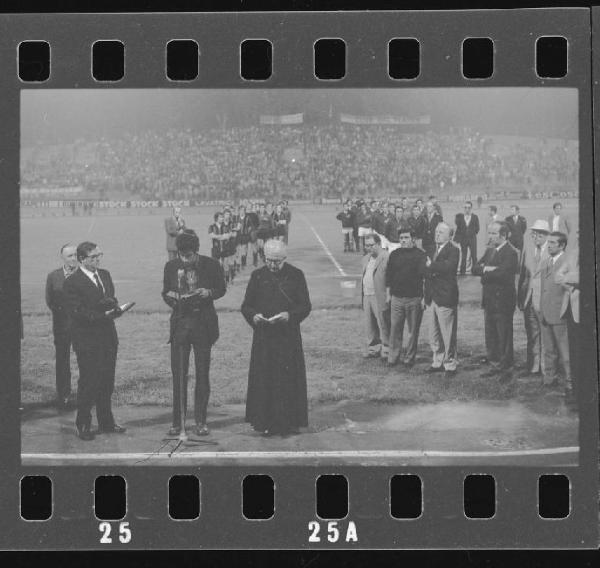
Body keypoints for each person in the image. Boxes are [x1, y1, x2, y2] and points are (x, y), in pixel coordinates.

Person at [241, 239, 311, 436]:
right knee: (265, 380)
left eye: (277, 261)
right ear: (264, 257)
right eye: (269, 260)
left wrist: (290, 316)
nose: (272, 265)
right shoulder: (257, 276)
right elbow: (246, 305)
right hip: (264, 337)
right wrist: (254, 317)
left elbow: (305, 306)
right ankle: (264, 422)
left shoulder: (296, 275)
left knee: (288, 380)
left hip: (288, 337)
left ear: (285, 259)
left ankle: (290, 423)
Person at [162, 230, 226, 437]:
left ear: (196, 251)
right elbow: (165, 292)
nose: (185, 259)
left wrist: (209, 293)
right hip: (181, 324)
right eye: (182, 255)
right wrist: (174, 300)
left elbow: (221, 288)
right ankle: (177, 422)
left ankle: (200, 421)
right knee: (179, 375)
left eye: (189, 255)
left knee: (202, 375)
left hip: (203, 324)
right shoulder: (171, 266)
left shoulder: (211, 264)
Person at [63, 242, 125, 441]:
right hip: (87, 340)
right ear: (82, 259)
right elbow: (77, 312)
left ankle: (106, 422)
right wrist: (103, 315)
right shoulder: (72, 282)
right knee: (89, 381)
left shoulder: (104, 274)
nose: (98, 259)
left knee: (107, 381)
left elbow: (110, 296)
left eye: (100, 255)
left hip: (108, 337)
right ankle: (83, 424)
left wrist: (114, 306)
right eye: (93, 257)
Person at [472, 221, 519, 383]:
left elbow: (504, 275)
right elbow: (474, 269)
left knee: (503, 335)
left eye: (493, 233)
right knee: (491, 335)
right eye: (489, 233)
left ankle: (506, 368)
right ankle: (494, 365)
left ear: (503, 235)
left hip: (503, 301)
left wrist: (487, 271)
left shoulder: (511, 252)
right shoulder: (490, 250)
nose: (489, 236)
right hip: (490, 300)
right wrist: (488, 269)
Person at [386, 229, 426, 368]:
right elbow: (389, 275)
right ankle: (393, 357)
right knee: (395, 329)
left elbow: (424, 277)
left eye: (406, 237)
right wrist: (388, 294)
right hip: (397, 298)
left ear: (412, 239)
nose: (403, 240)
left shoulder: (420, 255)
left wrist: (423, 297)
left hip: (414, 299)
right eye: (401, 238)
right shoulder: (394, 254)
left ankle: (409, 358)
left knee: (412, 331)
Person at [423, 222, 459, 377]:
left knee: (448, 333)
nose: (437, 234)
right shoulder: (431, 249)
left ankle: (450, 364)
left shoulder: (454, 250)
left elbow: (448, 267)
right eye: (436, 231)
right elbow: (425, 270)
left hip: (445, 297)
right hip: (431, 297)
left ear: (449, 235)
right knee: (434, 333)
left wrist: (432, 266)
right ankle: (437, 361)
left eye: (441, 232)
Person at [539, 231, 572, 399]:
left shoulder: (568, 262)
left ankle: (570, 383)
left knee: (565, 351)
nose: (549, 245)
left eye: (553, 243)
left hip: (560, 314)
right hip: (545, 313)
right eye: (549, 242)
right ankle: (549, 378)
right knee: (549, 349)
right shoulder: (546, 262)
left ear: (562, 245)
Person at [45, 243, 79, 409]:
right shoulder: (53, 276)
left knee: (86, 360)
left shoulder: (84, 274)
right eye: (70, 256)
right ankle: (64, 394)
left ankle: (88, 394)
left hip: (83, 326)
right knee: (62, 361)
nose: (73, 258)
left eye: (75, 255)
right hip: (62, 327)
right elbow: (50, 301)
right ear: (62, 258)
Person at [517, 220, 550, 377]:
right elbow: (523, 275)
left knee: (546, 335)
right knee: (532, 334)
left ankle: (546, 368)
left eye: (539, 233)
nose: (536, 236)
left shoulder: (551, 251)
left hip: (544, 301)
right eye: (534, 233)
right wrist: (520, 297)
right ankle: (534, 367)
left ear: (547, 236)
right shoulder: (528, 249)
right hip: (529, 299)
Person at [555, 229, 579, 408]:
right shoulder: (574, 253)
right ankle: (574, 390)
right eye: (578, 233)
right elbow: (558, 276)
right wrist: (572, 284)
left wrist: (568, 278)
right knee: (574, 352)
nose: (578, 236)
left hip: (583, 310)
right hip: (570, 308)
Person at [361, 234, 390, 359]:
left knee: (383, 323)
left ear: (378, 244)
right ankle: (373, 348)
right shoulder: (366, 258)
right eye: (366, 245)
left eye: (371, 245)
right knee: (370, 324)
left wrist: (389, 295)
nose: (369, 248)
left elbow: (390, 278)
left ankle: (387, 349)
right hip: (367, 295)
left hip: (379, 295)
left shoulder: (386, 257)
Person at [453, 201, 480, 275]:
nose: (467, 209)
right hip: (463, 239)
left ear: (471, 208)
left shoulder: (475, 217)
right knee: (463, 256)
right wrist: (457, 239)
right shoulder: (460, 217)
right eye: (465, 207)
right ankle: (462, 272)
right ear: (463, 208)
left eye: (469, 208)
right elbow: (458, 228)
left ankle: (475, 271)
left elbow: (477, 228)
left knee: (474, 256)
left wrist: (471, 233)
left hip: (472, 239)